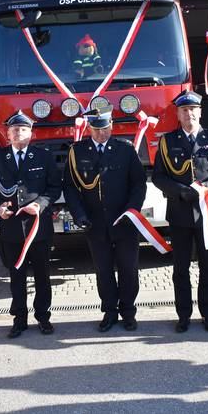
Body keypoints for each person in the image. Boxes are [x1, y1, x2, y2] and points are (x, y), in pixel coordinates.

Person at [152, 90, 208, 333]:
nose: (189, 114)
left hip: (207, 215)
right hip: (179, 214)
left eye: (193, 110)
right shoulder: (167, 141)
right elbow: (158, 177)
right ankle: (183, 315)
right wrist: (179, 191)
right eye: (184, 110)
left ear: (200, 112)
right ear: (178, 114)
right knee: (180, 269)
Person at [63, 105, 146, 332]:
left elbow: (138, 183)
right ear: (89, 128)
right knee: (103, 270)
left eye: (105, 128)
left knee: (129, 269)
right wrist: (79, 214)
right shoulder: (77, 152)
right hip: (95, 222)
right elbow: (70, 187)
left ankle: (128, 311)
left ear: (112, 126)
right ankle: (109, 312)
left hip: (124, 222)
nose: (101, 133)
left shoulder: (125, 149)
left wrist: (132, 210)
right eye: (97, 129)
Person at [0, 111, 61, 338]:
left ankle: (43, 317)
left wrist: (39, 205)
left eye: (24, 129)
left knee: (42, 275)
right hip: (11, 228)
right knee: (16, 275)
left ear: (31, 133)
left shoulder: (44, 156)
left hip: (38, 227)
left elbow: (55, 188)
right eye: (15, 130)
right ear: (7, 134)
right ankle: (19, 319)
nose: (19, 133)